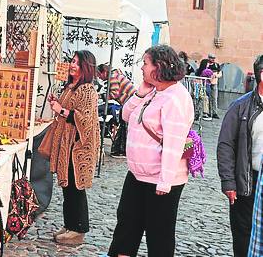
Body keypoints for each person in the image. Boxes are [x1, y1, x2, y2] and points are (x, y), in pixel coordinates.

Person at [108, 45, 194, 257]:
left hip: (161, 180)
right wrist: (139, 94)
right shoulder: (154, 92)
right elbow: (127, 116)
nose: (142, 69)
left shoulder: (176, 98)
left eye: (145, 64)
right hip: (139, 174)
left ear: (159, 66)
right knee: (127, 226)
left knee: (159, 234)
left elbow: (174, 142)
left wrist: (165, 181)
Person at [38, 50, 100, 246]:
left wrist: (61, 110)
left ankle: (78, 229)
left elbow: (85, 120)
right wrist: (57, 104)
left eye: (77, 63)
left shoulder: (87, 90)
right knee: (67, 188)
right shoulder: (71, 87)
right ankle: (69, 224)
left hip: (78, 148)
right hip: (67, 146)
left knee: (75, 188)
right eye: (72, 61)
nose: (73, 65)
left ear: (86, 67)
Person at [217, 54, 263, 257]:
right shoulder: (240, 106)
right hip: (247, 180)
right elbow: (226, 145)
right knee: (243, 233)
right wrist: (228, 182)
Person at [97, 64, 136, 158]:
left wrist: (100, 96)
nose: (99, 77)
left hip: (130, 102)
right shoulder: (114, 76)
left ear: (104, 72)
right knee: (124, 125)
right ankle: (121, 150)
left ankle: (122, 150)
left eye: (99, 74)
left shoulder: (112, 77)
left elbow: (114, 94)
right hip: (130, 102)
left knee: (124, 126)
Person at [207, 53, 222, 119]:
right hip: (207, 83)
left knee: (214, 98)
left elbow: (220, 74)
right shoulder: (206, 65)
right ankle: (208, 112)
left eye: (213, 58)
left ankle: (214, 112)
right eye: (211, 58)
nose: (213, 59)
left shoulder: (216, 65)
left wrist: (216, 75)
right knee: (208, 98)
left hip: (214, 83)